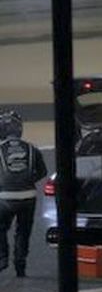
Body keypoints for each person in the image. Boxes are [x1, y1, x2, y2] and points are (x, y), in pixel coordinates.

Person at [0, 112, 47, 278]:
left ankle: (2, 258)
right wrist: (28, 181)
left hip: (4, 197)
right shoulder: (32, 148)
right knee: (23, 231)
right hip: (29, 196)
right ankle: (20, 265)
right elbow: (43, 171)